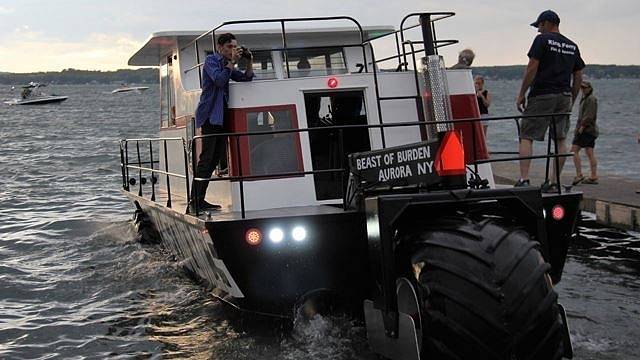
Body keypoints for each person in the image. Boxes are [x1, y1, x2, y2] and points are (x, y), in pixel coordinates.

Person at [515, 10, 585, 191]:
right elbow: (578, 75)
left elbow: (532, 67)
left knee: (526, 135)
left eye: (539, 25)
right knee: (561, 138)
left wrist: (522, 93)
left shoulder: (542, 40)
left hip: (542, 94)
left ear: (546, 23)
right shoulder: (572, 46)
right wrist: (572, 97)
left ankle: (524, 179)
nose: (538, 30)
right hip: (564, 96)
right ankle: (555, 182)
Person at [190, 33, 254, 212]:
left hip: (222, 117)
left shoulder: (227, 64)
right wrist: (232, 62)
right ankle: (195, 201)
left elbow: (245, 78)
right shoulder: (211, 61)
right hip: (211, 116)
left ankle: (199, 199)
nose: (232, 50)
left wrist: (249, 61)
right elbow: (219, 80)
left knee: (216, 158)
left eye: (234, 47)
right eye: (229, 47)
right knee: (206, 159)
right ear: (220, 47)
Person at [571, 81, 598, 185]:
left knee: (574, 151)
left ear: (590, 88)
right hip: (591, 130)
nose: (583, 89)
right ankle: (593, 176)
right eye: (582, 87)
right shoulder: (585, 99)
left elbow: (589, 116)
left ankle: (579, 175)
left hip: (586, 130)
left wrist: (581, 127)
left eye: (585, 88)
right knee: (589, 152)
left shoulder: (590, 99)